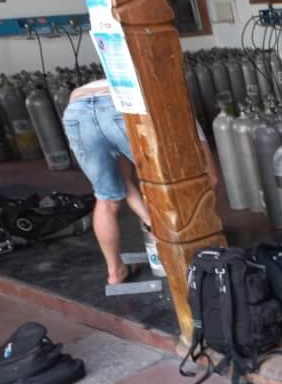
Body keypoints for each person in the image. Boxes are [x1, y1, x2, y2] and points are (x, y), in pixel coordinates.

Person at [62, 79, 219, 286]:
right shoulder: (179, 108)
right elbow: (211, 177)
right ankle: (181, 265)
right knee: (164, 185)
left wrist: (150, 220)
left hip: (77, 111)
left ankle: (115, 272)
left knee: (106, 198)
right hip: (121, 105)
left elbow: (124, 181)